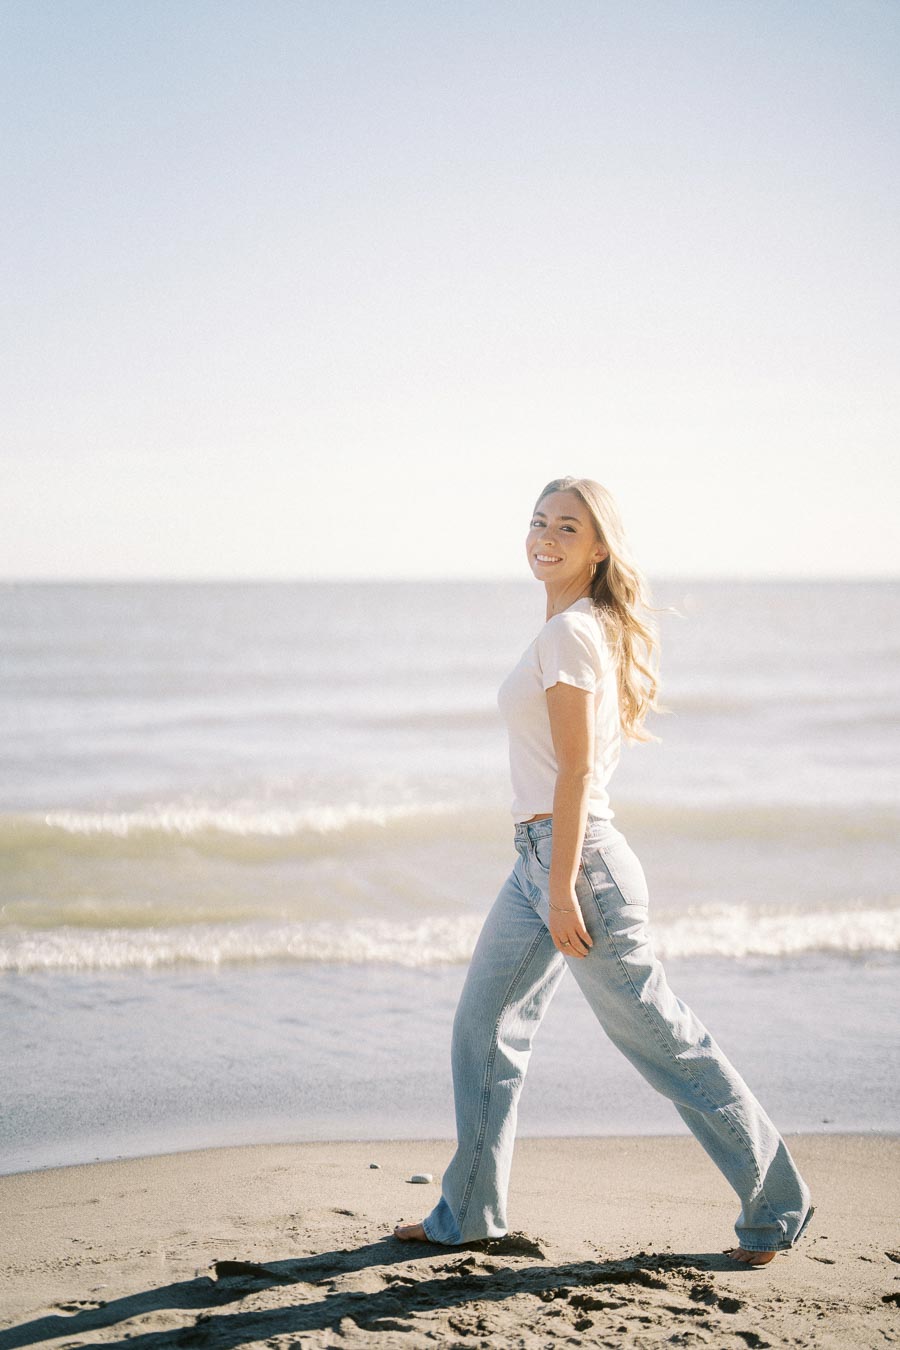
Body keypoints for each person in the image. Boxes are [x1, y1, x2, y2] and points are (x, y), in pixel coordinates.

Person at [394, 475, 813, 1265]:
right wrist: (541, 875)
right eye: (538, 522)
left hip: (574, 866)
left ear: (596, 549)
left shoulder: (569, 636)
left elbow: (578, 773)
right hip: (538, 860)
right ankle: (470, 1214)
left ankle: (776, 1205)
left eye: (566, 527)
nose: (544, 537)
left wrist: (559, 889)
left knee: (663, 1043)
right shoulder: (573, 628)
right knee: (482, 1029)